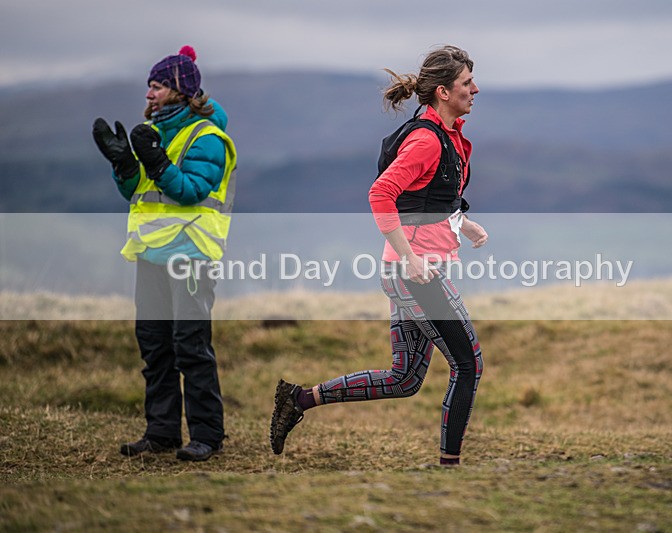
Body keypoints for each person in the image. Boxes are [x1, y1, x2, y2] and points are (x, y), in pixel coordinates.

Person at [270, 45, 487, 466]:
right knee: (468, 364)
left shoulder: (448, 137)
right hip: (417, 275)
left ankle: (297, 399)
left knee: (404, 378)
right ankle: (450, 468)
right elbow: (381, 193)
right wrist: (410, 258)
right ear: (443, 91)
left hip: (411, 270)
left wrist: (462, 223)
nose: (475, 89)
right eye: (466, 83)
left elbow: (428, 199)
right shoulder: (426, 140)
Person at [92, 46, 237, 462]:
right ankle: (161, 433)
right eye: (149, 87)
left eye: (156, 86)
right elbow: (139, 193)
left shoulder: (207, 137)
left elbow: (191, 191)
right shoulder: (154, 131)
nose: (149, 94)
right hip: (152, 254)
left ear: (178, 91)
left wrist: (154, 161)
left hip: (192, 254)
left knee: (190, 346)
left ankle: (207, 435)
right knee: (154, 346)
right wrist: (124, 165)